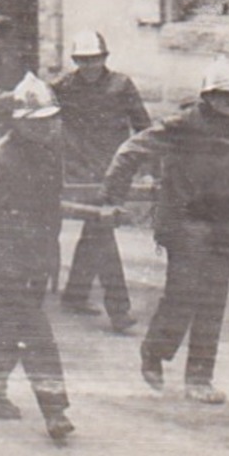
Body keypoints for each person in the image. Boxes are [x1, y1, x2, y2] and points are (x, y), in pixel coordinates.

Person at [99, 59, 229, 405]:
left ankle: (199, 378)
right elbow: (131, 149)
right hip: (185, 219)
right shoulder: (184, 124)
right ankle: (154, 351)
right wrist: (112, 194)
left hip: (222, 219)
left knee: (214, 301)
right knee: (184, 294)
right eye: (223, 95)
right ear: (208, 96)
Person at [0, 73, 74, 445]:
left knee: (13, 325)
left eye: (50, 120)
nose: (46, 128)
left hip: (36, 258)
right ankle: (55, 409)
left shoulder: (49, 155)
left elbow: (51, 210)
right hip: (5, 260)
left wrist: (50, 254)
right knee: (35, 331)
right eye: (38, 122)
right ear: (19, 122)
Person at [52, 30, 152, 332]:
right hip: (80, 171)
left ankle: (75, 293)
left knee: (97, 228)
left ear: (104, 59)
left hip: (114, 169)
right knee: (102, 229)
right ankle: (119, 310)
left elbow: (143, 126)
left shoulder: (122, 86)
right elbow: (36, 105)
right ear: (75, 62)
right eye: (82, 61)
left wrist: (146, 166)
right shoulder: (64, 87)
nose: (89, 67)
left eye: (94, 60)